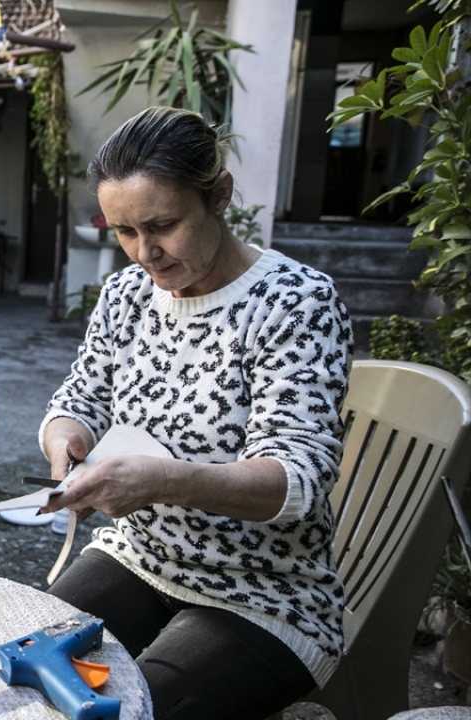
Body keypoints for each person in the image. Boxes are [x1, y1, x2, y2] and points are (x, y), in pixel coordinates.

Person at [38, 106, 352, 720]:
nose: (145, 253)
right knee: (29, 673)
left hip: (265, 592)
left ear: (221, 197)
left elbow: (297, 481)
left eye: (163, 225)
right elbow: (82, 396)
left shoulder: (295, 302)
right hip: (140, 556)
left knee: (129, 709)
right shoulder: (127, 295)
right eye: (125, 231)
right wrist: (65, 439)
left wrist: (162, 482)